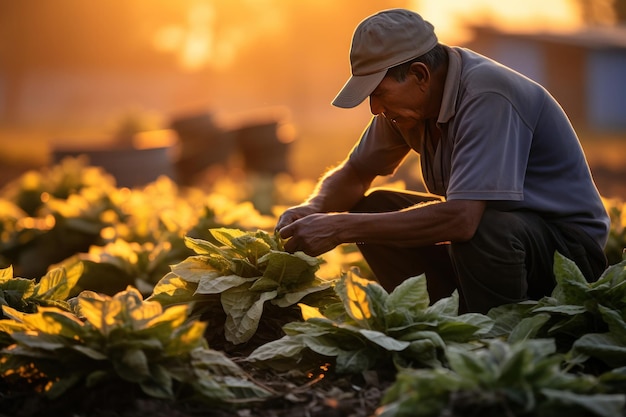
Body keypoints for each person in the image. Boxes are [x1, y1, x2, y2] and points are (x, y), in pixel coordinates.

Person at [276, 8, 610, 314]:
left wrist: (339, 227)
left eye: (379, 93)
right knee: (375, 207)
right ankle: (442, 319)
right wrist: (314, 208)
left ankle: (496, 337)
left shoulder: (487, 96)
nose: (375, 109)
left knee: (482, 228)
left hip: (567, 252)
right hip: (507, 242)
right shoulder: (407, 108)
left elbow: (462, 220)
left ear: (420, 74)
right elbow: (357, 171)